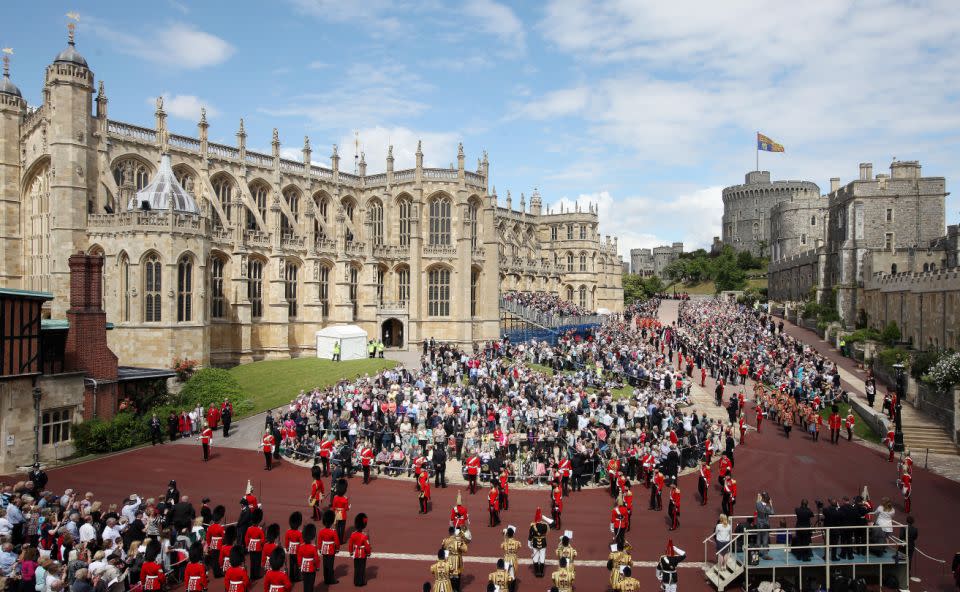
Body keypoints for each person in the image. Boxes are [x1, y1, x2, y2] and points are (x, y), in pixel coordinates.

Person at [348, 513, 372, 587]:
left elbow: (350, 544)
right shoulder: (364, 536)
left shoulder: (353, 534)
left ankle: (356, 581)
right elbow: (367, 547)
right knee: (362, 568)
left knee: (356, 568)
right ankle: (361, 582)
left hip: (355, 553)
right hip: (362, 554)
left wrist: (351, 552)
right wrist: (368, 553)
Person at [317, 510, 340, 585]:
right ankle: (331, 579)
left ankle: (326, 579)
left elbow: (319, 541)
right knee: (330, 565)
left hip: (324, 550)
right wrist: (337, 549)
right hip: (331, 550)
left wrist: (320, 549)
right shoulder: (333, 531)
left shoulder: (321, 531)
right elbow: (337, 542)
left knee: (325, 565)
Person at [442, 527, 468, 592]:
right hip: (457, 560)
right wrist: (462, 540)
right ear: (454, 532)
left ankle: (450, 589)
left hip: (449, 560)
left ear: (449, 532)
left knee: (450, 576)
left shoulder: (445, 540)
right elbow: (465, 549)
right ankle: (456, 590)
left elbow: (443, 550)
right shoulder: (458, 541)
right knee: (457, 576)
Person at [295, 524, 319, 592]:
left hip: (304, 567)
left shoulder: (301, 546)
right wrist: (317, 567)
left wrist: (300, 566)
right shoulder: (313, 547)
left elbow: (299, 558)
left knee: (305, 583)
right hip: (311, 567)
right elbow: (316, 559)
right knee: (311, 584)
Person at [528, 508, 549, 578]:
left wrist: (529, 544)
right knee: (542, 557)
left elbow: (530, 536)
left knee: (535, 557)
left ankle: (537, 572)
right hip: (543, 543)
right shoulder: (545, 525)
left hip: (535, 543)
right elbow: (551, 525)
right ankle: (542, 572)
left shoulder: (532, 526)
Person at [245, 508, 265, 580]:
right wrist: (261, 544)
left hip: (251, 546)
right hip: (258, 547)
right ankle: (256, 575)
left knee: (252, 561)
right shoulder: (260, 529)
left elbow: (246, 538)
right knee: (257, 562)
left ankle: (252, 575)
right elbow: (263, 539)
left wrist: (247, 545)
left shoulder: (249, 528)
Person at [207, 506, 227, 577]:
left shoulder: (210, 527)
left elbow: (208, 537)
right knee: (219, 559)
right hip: (219, 544)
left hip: (213, 544)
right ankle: (218, 573)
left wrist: (209, 545)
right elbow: (224, 537)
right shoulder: (220, 527)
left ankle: (216, 572)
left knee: (214, 559)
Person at [284, 512, 303, 583]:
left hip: (291, 549)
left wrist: (287, 548)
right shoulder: (299, 533)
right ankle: (297, 577)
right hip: (298, 550)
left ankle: (291, 577)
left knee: (291, 564)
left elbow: (286, 541)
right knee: (297, 563)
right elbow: (301, 543)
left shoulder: (288, 532)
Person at [755, 492, 774, 559]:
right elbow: (772, 512)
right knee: (765, 540)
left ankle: (757, 553)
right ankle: (765, 555)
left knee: (758, 539)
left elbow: (758, 501)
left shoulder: (757, 504)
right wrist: (771, 504)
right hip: (765, 524)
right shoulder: (767, 507)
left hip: (758, 524)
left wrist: (759, 497)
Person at [331, 479, 350, 543]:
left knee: (337, 527)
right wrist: (349, 507)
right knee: (342, 528)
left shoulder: (335, 497)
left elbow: (333, 507)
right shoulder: (345, 498)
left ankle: (337, 539)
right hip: (343, 514)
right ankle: (341, 540)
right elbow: (346, 508)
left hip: (337, 513)